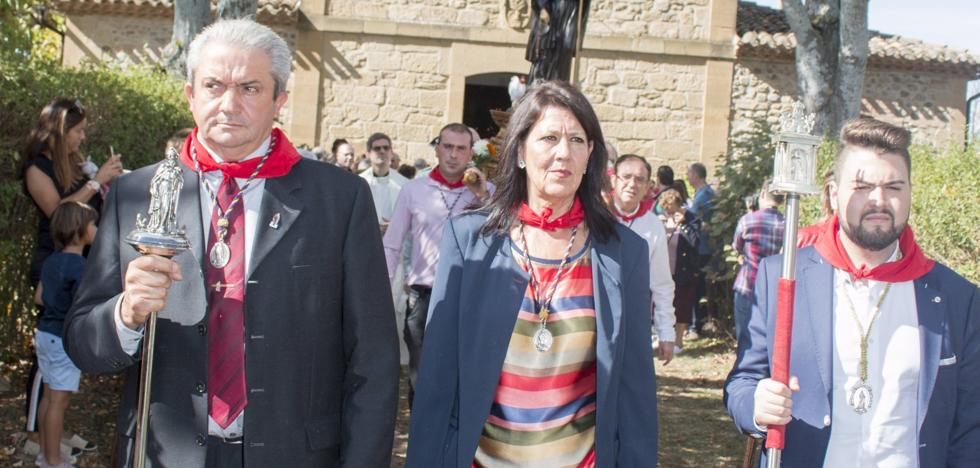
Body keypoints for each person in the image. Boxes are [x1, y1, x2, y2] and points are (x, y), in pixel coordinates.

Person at [63, 19, 398, 467]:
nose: (228, 104)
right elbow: (84, 345)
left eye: (250, 88)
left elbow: (373, 359)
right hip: (168, 454)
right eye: (214, 85)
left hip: (294, 455)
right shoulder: (135, 195)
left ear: (280, 99)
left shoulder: (340, 199)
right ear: (190, 94)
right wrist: (126, 312)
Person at [406, 81, 658, 467]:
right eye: (550, 138)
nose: (564, 153)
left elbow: (635, 390)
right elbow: (438, 381)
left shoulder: (624, 253)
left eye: (577, 140)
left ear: (591, 154)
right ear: (520, 150)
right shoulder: (468, 241)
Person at [725, 118, 980, 467]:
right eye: (861, 186)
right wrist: (755, 404)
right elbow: (743, 381)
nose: (879, 200)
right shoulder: (781, 276)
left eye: (894, 186)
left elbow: (971, 426)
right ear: (833, 193)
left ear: (909, 194)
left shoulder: (957, 297)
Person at [20, 98, 119, 460]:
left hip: (79, 263)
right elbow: (60, 214)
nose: (82, 137)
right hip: (54, 263)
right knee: (46, 357)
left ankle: (53, 431)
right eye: (77, 130)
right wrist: (96, 183)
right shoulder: (37, 169)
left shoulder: (73, 164)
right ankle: (36, 432)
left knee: (60, 356)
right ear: (61, 131)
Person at [382, 122, 490, 406]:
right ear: (437, 149)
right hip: (423, 296)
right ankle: (420, 443)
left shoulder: (485, 192)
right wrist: (379, 294)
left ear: (470, 154)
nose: (453, 154)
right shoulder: (414, 190)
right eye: (448, 147)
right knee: (422, 377)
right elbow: (392, 245)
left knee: (461, 376)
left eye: (461, 148)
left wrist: (482, 195)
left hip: (468, 296)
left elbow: (508, 231)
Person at [35, 201, 99, 468]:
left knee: (49, 397)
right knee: (59, 402)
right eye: (94, 223)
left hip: (45, 335)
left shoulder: (52, 260)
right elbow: (81, 306)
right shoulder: (80, 267)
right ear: (80, 229)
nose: (97, 228)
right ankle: (52, 460)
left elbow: (39, 297)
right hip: (62, 340)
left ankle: (44, 452)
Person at [610, 154, 676, 363]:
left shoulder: (653, 225)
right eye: (626, 177)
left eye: (640, 179)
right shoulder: (595, 216)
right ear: (614, 179)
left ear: (648, 186)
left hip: (634, 318)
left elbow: (662, 283)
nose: (632, 184)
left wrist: (666, 333)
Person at [731, 179, 785, 342]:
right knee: (769, 339)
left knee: (744, 337)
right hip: (773, 288)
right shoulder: (788, 223)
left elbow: (737, 246)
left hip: (748, 284)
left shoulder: (748, 220)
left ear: (762, 194)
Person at [658, 189, 701, 353]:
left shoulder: (692, 219)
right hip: (664, 270)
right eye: (666, 209)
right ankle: (664, 337)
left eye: (672, 209)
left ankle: (679, 341)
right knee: (665, 304)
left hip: (683, 271)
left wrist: (683, 225)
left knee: (682, 305)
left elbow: (694, 243)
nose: (669, 212)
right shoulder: (661, 219)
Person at [360, 132, 409, 231]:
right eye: (377, 148)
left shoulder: (404, 183)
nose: (382, 151)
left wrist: (395, 225)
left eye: (386, 148)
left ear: (391, 153)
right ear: (368, 154)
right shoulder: (359, 182)